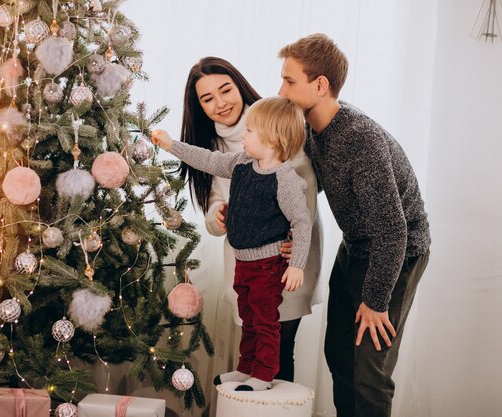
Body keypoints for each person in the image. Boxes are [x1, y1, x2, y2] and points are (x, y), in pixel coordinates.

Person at [277, 33, 431, 416]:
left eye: (289, 81)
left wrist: (377, 300)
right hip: (356, 246)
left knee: (368, 373)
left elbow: (394, 231)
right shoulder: (311, 129)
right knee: (340, 356)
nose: (281, 90)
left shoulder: (360, 139)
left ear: (320, 85)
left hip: (397, 251)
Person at [176, 57, 322, 383]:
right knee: (254, 328)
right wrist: (217, 216)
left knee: (280, 341)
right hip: (245, 260)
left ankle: (271, 397)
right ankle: (249, 381)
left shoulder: (276, 123)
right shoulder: (211, 146)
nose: (220, 103)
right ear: (198, 106)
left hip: (284, 257)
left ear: (239, 86)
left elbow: (304, 197)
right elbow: (212, 206)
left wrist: (295, 248)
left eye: (225, 90)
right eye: (207, 98)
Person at [152, 96, 312, 391]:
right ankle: (246, 368)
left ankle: (264, 373)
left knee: (264, 321)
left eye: (250, 131)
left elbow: (302, 222)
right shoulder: (241, 162)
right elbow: (208, 160)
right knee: (248, 317)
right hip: (243, 262)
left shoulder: (285, 180)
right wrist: (172, 145)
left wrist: (297, 265)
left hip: (267, 266)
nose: (244, 136)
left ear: (273, 139)